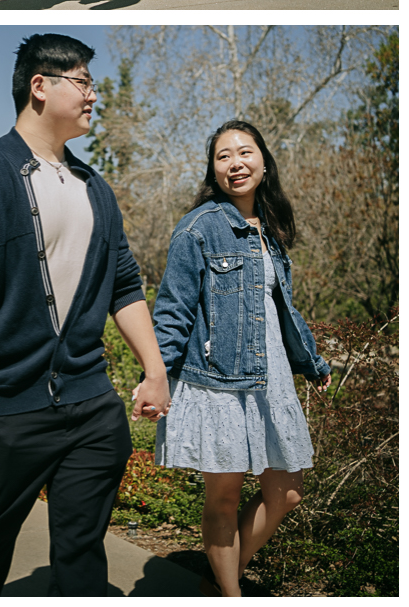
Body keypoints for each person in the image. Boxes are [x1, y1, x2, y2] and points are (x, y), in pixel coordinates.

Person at [0, 33, 169, 597]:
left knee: (82, 550)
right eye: (84, 82)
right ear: (40, 86)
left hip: (92, 407)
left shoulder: (96, 189)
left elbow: (125, 286)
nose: (94, 95)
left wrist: (156, 370)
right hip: (13, 407)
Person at [150, 120, 332, 597]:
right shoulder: (198, 228)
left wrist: (311, 362)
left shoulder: (268, 229)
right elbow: (172, 310)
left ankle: (221, 572)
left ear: (264, 161)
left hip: (270, 377)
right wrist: (158, 377)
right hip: (218, 380)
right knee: (224, 497)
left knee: (287, 492)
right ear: (213, 169)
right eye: (223, 156)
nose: (236, 163)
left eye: (245, 152)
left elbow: (279, 308)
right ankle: (230, 591)